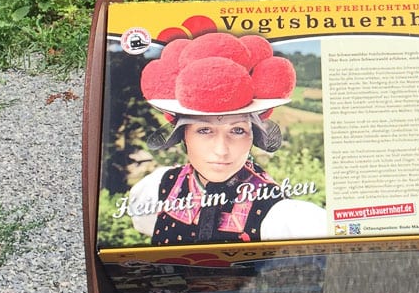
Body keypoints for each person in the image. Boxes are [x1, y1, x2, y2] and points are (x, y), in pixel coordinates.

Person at [128, 32, 328, 244]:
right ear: (184, 135)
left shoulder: (281, 215)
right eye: (204, 130)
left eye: (237, 131)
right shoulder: (160, 187)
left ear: (254, 136)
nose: (221, 150)